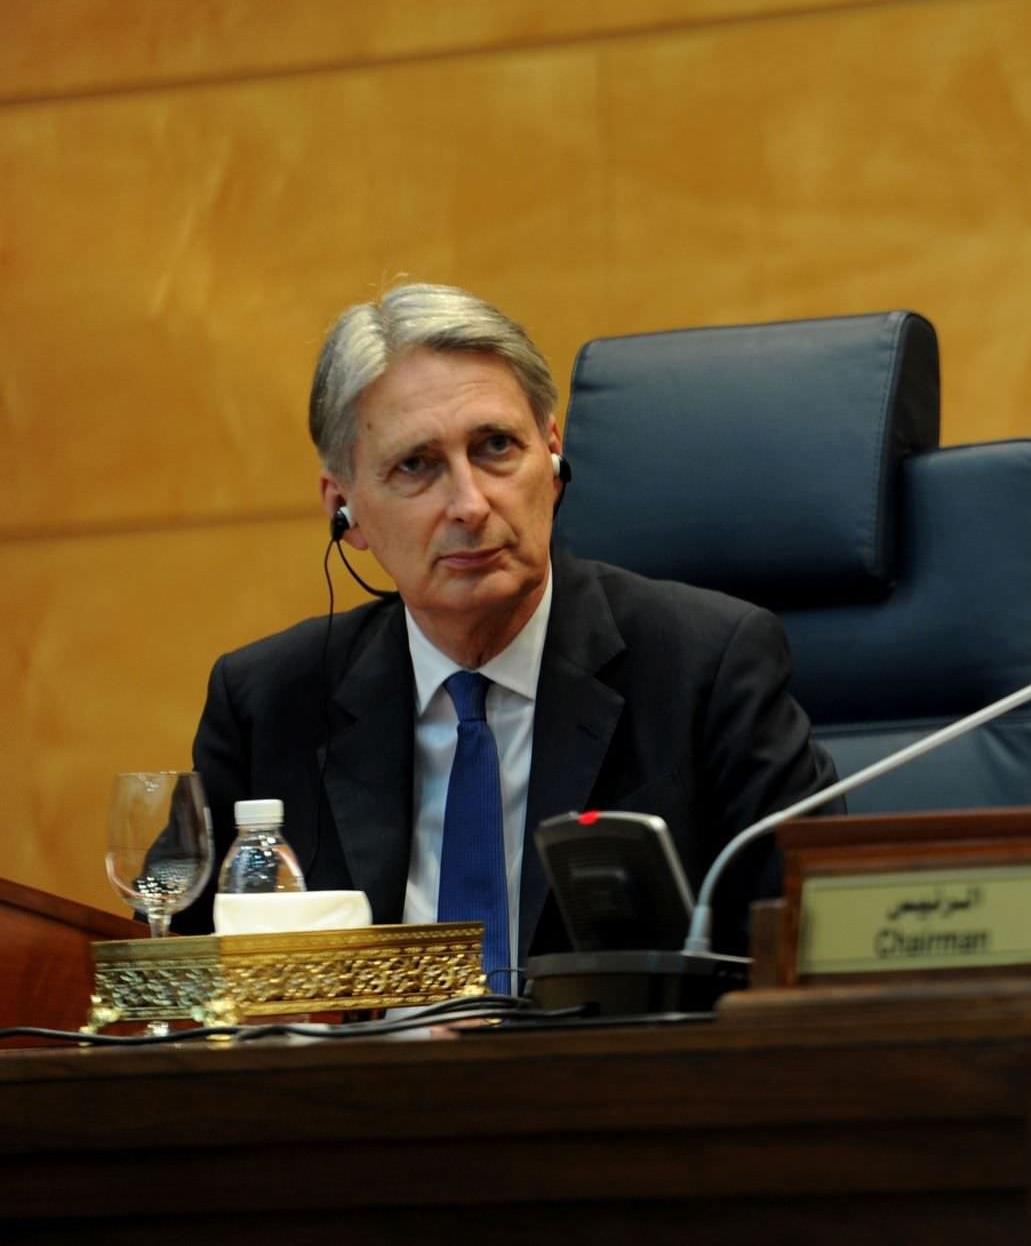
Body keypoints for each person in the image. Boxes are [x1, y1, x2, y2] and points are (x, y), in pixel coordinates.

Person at [172, 283, 836, 975]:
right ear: (346, 509)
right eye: (416, 466)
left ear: (550, 457)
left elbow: (815, 954)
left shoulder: (706, 668)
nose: (469, 503)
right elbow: (178, 989)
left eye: (495, 446)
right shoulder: (269, 704)